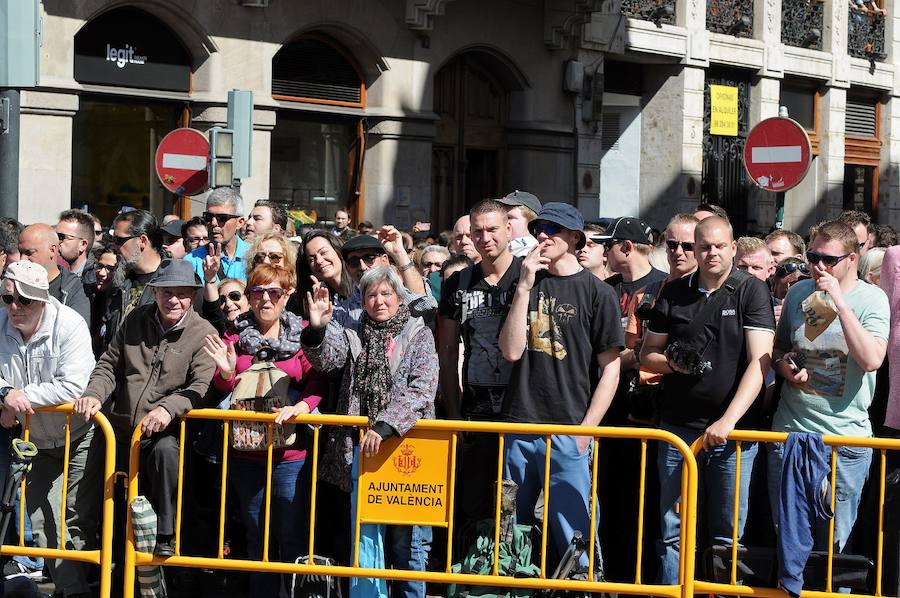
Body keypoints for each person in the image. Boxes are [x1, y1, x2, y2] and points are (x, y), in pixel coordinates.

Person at [640, 216, 774, 584]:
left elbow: (760, 364)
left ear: (733, 248)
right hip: (676, 432)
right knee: (672, 534)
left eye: (719, 246)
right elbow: (646, 355)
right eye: (703, 246)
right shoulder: (673, 291)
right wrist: (673, 364)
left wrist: (728, 421)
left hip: (734, 439)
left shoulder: (751, 291)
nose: (711, 253)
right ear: (695, 249)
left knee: (727, 538)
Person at [499, 202, 623, 574]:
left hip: (569, 427)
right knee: (509, 530)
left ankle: (580, 587)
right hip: (519, 424)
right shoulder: (522, 281)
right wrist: (522, 288)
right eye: (539, 229)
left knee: (575, 535)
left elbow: (611, 369)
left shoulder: (597, 293)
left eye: (553, 229)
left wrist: (585, 432)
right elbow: (510, 350)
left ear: (573, 238)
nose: (543, 236)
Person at [303, 266, 438, 598]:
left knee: (409, 544)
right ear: (362, 300)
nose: (379, 301)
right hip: (363, 452)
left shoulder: (418, 332)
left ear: (399, 297)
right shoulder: (353, 331)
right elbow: (327, 361)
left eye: (386, 294)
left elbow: (422, 390)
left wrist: (385, 425)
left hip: (409, 450)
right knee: (365, 539)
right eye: (371, 295)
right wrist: (318, 327)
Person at [74, 259, 217, 556]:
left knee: (166, 455)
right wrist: (94, 394)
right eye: (166, 291)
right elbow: (109, 365)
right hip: (121, 429)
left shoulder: (203, 331)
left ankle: (166, 533)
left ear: (193, 295)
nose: (173, 299)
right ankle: (98, 562)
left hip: (164, 431)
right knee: (103, 498)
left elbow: (199, 387)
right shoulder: (135, 318)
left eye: (181, 292)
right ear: (154, 292)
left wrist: (167, 409)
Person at [204, 264, 326, 595]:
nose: (265, 299)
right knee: (257, 535)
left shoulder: (303, 334)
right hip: (247, 453)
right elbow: (223, 384)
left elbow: (318, 379)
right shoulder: (235, 336)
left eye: (274, 292)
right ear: (248, 297)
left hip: (291, 455)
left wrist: (301, 407)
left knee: (291, 535)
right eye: (257, 292)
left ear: (287, 295)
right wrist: (227, 373)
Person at [769, 219, 888, 553]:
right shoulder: (798, 292)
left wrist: (838, 300)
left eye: (829, 260)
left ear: (852, 259)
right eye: (812, 256)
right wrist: (786, 367)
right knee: (789, 540)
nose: (818, 266)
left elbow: (871, 360)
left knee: (834, 547)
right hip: (790, 433)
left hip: (844, 441)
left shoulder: (872, 299)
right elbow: (778, 350)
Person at [0, 261, 99, 598]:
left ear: (42, 298)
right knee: (43, 525)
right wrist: (4, 394)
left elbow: (73, 387)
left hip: (80, 435)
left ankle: (77, 589)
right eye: (8, 298)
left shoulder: (69, 324)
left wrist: (19, 397)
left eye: (24, 300)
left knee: (75, 521)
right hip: (34, 440)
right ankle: (72, 592)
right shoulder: (1, 320)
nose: (15, 307)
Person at [438, 200, 522, 525]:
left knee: (517, 509)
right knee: (474, 507)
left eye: (492, 229)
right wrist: (455, 412)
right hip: (476, 411)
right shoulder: (457, 283)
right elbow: (446, 351)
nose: (485, 237)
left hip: (521, 410)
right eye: (478, 231)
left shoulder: (529, 278)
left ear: (509, 230)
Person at [14, 223, 91, 326]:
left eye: (29, 253)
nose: (22, 259)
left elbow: (77, 334)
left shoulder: (72, 290)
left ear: (52, 250)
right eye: (21, 252)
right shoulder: (13, 284)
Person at [186, 187, 250, 281]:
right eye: (208, 217)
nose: (213, 223)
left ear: (240, 222)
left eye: (222, 218)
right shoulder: (192, 261)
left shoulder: (254, 257)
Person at [295, 230, 353, 319]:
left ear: (338, 251)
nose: (319, 260)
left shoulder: (362, 288)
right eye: (311, 259)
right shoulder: (314, 302)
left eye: (323, 252)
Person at [85, 242, 123, 358]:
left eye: (110, 269)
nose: (101, 273)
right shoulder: (90, 296)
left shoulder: (121, 303)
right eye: (100, 266)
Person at [497, 190, 541, 257]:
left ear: (531, 223)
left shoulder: (529, 252)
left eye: (509, 217)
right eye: (500, 218)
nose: (502, 222)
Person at [56, 209, 95, 277]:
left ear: (83, 245)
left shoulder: (93, 280)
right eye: (55, 236)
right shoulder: (53, 274)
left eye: (61, 237)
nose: (56, 241)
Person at [663, 213, 699, 282]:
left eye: (687, 246)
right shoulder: (647, 292)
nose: (678, 252)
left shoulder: (711, 291)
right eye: (672, 244)